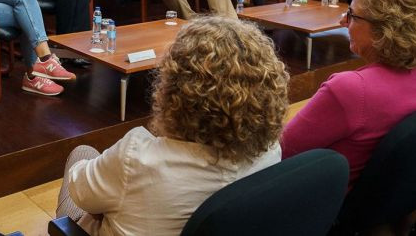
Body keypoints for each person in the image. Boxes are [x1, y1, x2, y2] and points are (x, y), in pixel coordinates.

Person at [55, 16, 289, 235]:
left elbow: (80, 193)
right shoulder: (271, 150)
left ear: (176, 90)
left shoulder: (137, 158)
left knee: (82, 154)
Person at [282, 0, 416, 186]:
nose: (343, 22)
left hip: (321, 205)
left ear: (384, 30)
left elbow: (283, 151)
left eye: (352, 15)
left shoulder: (349, 90)